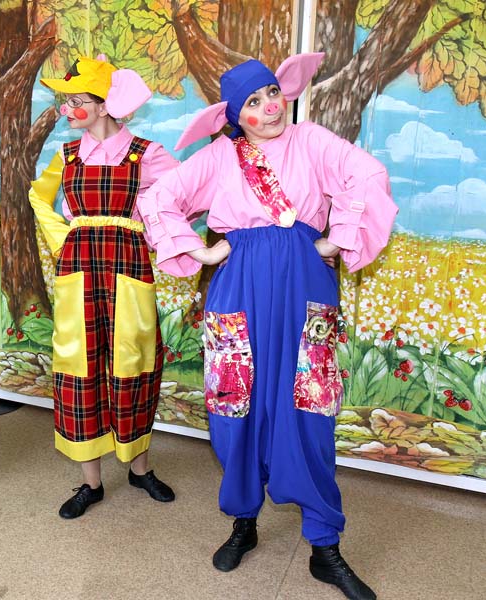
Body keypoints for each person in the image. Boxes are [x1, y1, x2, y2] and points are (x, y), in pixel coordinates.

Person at [137, 53, 396, 600]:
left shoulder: (312, 141)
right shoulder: (220, 155)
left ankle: (325, 546)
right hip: (239, 290)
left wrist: (335, 238)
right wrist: (203, 252)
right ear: (235, 115)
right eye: (253, 102)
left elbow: (368, 175)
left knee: (311, 410)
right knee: (236, 408)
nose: (270, 107)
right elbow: (159, 198)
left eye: (273, 92)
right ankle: (244, 522)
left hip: (305, 285)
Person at [29, 55, 179, 519]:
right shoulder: (67, 156)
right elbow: (39, 197)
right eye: (66, 101)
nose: (68, 109)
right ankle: (90, 483)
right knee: (80, 366)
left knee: (134, 364)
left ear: (103, 105)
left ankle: (139, 468)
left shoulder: (146, 153)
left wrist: (157, 235)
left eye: (76, 100)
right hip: (80, 269)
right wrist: (64, 239)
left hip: (128, 266)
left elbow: (180, 198)